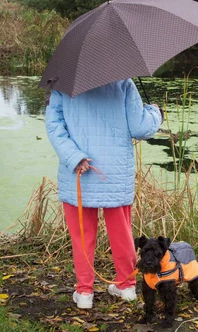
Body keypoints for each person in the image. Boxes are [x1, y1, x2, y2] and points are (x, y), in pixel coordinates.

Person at [45, 78, 162, 309]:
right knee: (121, 232)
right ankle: (126, 286)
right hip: (114, 172)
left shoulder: (63, 83)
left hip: (79, 170)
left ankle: (85, 293)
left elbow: (54, 125)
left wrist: (74, 157)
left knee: (82, 236)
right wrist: (155, 113)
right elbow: (140, 128)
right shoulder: (124, 83)